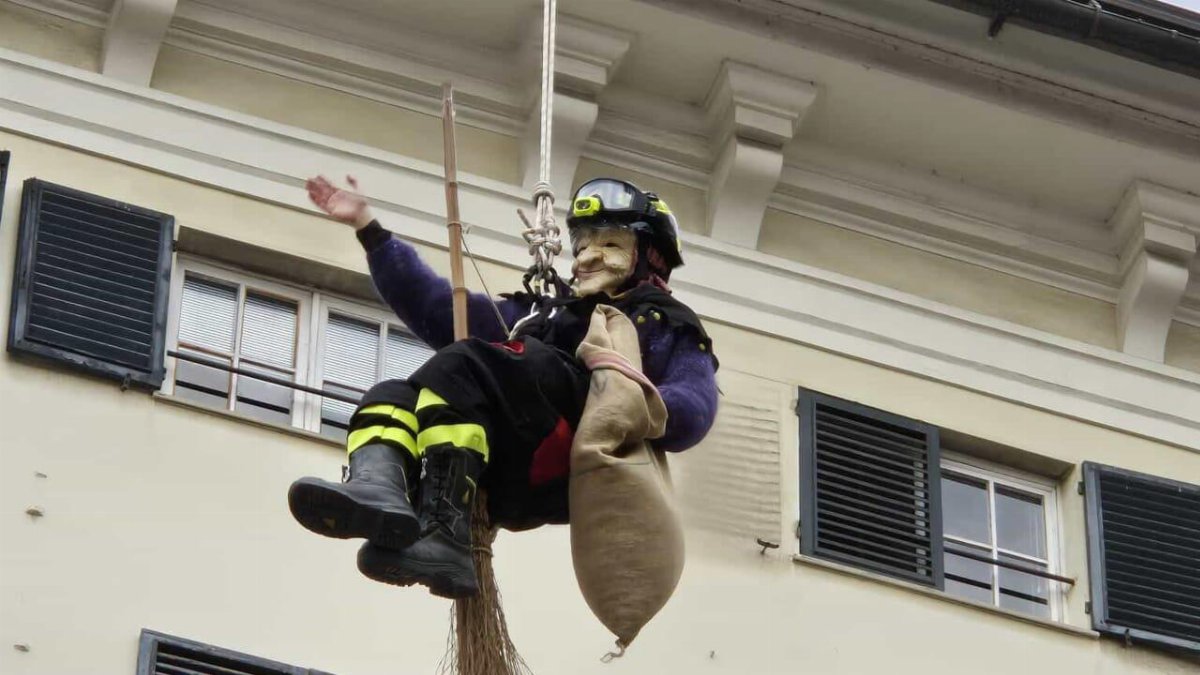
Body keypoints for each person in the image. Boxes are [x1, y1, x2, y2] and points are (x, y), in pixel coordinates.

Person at [288, 175, 718, 598]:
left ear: (651, 258)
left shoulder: (662, 321)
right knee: (393, 396)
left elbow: (694, 406)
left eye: (608, 244)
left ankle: (445, 526)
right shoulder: (543, 314)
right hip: (511, 468)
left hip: (565, 454)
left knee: (475, 362)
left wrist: (631, 403)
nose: (587, 256)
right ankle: (385, 492)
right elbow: (439, 308)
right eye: (583, 244)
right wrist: (370, 230)